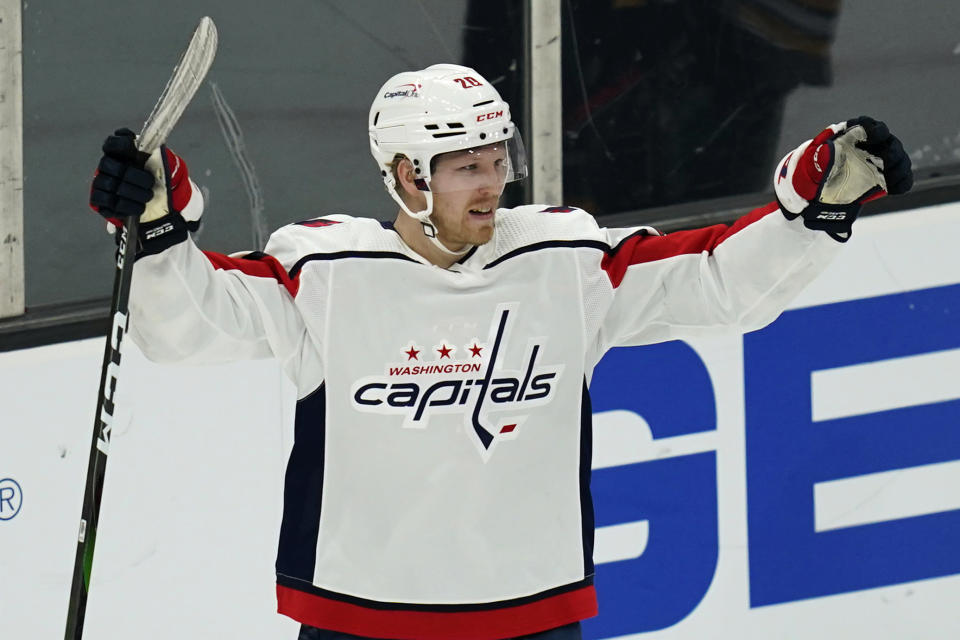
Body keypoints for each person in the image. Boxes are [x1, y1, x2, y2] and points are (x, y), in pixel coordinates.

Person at [88, 63, 912, 640]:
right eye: (465, 167)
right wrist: (158, 226)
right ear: (407, 177)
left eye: (497, 159)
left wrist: (813, 208)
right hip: (361, 625)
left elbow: (716, 279)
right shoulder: (328, 274)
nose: (492, 183)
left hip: (532, 619)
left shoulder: (563, 262)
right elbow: (185, 325)